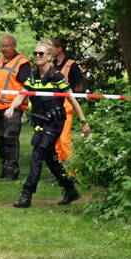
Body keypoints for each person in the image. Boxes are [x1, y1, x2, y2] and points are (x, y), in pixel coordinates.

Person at [5, 41, 91, 208]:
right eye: (35, 53)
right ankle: (70, 189)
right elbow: (22, 94)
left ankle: (26, 195)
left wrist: (84, 122)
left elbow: (72, 100)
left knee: (37, 155)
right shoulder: (32, 76)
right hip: (40, 122)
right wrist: (11, 107)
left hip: (55, 123)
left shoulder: (57, 77)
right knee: (51, 159)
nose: (37, 56)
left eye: (41, 54)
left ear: (49, 57)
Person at [0, 35, 32, 180]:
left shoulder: (22, 63)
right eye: (1, 46)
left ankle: (12, 171)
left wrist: (18, 105)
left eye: (6, 46)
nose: (3, 49)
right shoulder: (1, 60)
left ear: (14, 46)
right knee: (0, 138)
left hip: (13, 107)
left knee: (10, 138)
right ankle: (4, 168)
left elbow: (27, 86)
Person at [50, 36, 84, 164]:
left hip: (67, 106)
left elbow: (78, 86)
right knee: (56, 140)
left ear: (59, 49)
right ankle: (61, 171)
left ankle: (72, 172)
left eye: (51, 48)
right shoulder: (52, 65)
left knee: (64, 139)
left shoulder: (72, 65)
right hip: (54, 106)